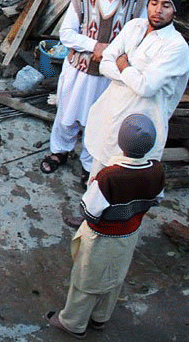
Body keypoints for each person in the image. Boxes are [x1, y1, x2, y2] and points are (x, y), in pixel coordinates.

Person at [47, 114, 165, 338]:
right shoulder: (157, 170)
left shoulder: (109, 177)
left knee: (86, 282)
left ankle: (73, 323)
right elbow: (157, 199)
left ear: (120, 142)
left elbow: (90, 211)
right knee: (114, 277)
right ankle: (100, 317)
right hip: (130, 233)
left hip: (101, 237)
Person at [40, 0, 147, 187]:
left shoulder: (139, 0)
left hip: (110, 76)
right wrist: (94, 45)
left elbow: (140, 37)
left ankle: (90, 166)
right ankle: (60, 151)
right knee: (67, 115)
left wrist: (111, 52)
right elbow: (66, 34)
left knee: (100, 121)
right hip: (79, 70)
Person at [83, 0, 189, 178]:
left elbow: (146, 87)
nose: (158, 10)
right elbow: (105, 64)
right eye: (154, 3)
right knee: (99, 169)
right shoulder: (134, 27)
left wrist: (123, 65)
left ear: (175, 12)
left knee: (125, 178)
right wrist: (133, 74)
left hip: (142, 121)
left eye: (166, 6)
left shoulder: (176, 46)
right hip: (113, 109)